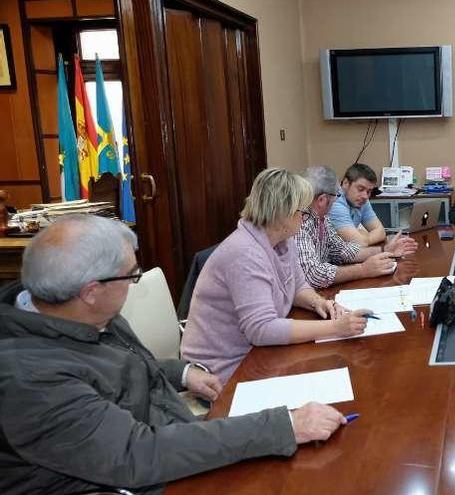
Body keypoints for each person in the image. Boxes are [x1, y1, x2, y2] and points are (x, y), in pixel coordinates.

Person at [0, 214, 349, 495]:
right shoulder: (29, 379)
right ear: (91, 291)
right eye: (130, 276)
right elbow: (136, 454)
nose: (132, 283)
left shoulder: (77, 311)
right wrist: (285, 425)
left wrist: (182, 372)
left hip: (172, 434)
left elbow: (120, 363)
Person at [181, 168, 371, 384]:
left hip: (257, 354)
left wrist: (319, 302)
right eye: (302, 211)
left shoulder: (283, 239)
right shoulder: (244, 253)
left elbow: (298, 286)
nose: (305, 217)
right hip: (222, 371)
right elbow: (262, 329)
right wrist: (335, 328)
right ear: (283, 213)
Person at [297, 165, 418, 289]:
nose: (336, 200)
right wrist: (363, 270)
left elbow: (341, 250)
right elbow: (313, 275)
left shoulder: (322, 217)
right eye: (336, 196)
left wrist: (386, 250)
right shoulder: (300, 222)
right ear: (322, 200)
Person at [329, 162, 386, 246]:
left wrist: (364, 238)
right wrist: (363, 237)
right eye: (360, 189)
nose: (365, 196)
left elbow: (381, 232)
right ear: (345, 183)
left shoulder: (362, 200)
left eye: (369, 191)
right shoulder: (335, 203)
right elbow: (359, 242)